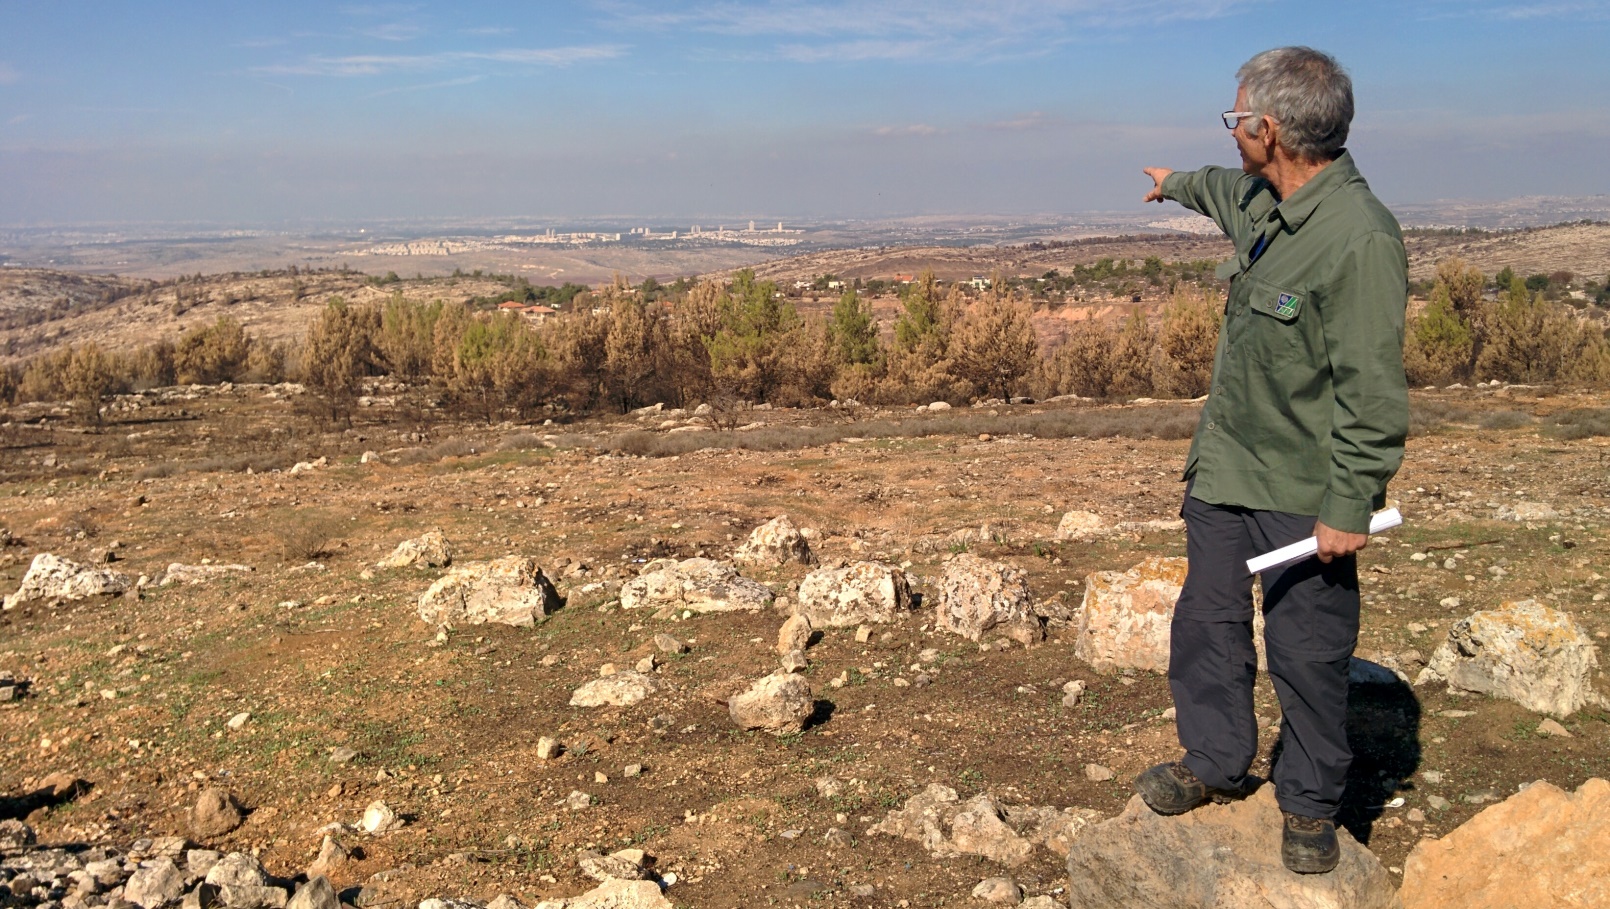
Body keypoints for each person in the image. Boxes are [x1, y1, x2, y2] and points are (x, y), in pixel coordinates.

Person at [1133, 46, 1408, 874]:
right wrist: (1175, 180)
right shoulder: (1263, 195)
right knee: (1206, 624)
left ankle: (1310, 800)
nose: (1234, 131)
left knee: (1308, 648)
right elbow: (1220, 190)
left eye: (1237, 117)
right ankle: (1214, 761)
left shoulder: (1358, 238)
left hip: (1302, 485)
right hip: (1224, 468)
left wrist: (1351, 500)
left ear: (1271, 129)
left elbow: (1372, 387)